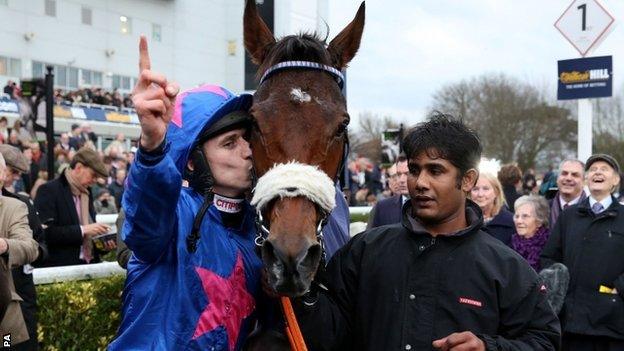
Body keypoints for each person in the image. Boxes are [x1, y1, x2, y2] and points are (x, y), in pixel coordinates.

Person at [293, 115, 560, 350]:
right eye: (414, 170)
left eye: (435, 170)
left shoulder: (505, 267)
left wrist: (487, 347)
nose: (420, 183)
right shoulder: (365, 251)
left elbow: (544, 341)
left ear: (467, 180)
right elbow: (325, 336)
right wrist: (301, 290)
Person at [109, 36, 265, 350]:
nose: (248, 152)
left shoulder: (259, 230)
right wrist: (152, 149)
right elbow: (148, 211)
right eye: (230, 143)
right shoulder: (175, 215)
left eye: (248, 139)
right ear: (193, 163)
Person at [541, 153, 624, 350]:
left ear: (616, 180)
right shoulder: (569, 216)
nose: (597, 172)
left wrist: (618, 289)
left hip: (611, 326)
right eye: (593, 169)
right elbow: (549, 258)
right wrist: (560, 288)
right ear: (586, 178)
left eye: (604, 169)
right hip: (569, 324)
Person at [0, 144, 46, 351]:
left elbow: (35, 246)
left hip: (11, 306)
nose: (15, 178)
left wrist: (6, 246)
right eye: (13, 172)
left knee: (9, 344)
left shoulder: (19, 205)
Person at [34, 147, 114, 267]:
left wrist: (103, 245)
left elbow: (87, 238)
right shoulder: (48, 190)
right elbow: (45, 233)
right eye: (93, 175)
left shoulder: (86, 193)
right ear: (79, 168)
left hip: (88, 266)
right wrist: (83, 230)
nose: (94, 181)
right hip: (60, 271)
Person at [469, 172, 515, 246]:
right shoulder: (462, 221)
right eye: (475, 189)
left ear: (496, 192)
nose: (480, 194)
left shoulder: (512, 222)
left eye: (486, 189)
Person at [367, 156, 409, 229]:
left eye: (407, 174)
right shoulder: (382, 207)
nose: (400, 180)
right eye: (398, 175)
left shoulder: (429, 206)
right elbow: (371, 238)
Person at [512, 195, 550, 271]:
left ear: (539, 221)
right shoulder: (510, 243)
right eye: (517, 216)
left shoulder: (549, 245)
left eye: (525, 216)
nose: (519, 221)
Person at [549, 159, 586, 229]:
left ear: (584, 181)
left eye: (575, 175)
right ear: (557, 179)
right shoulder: (543, 210)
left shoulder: (592, 212)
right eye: (564, 173)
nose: (568, 178)